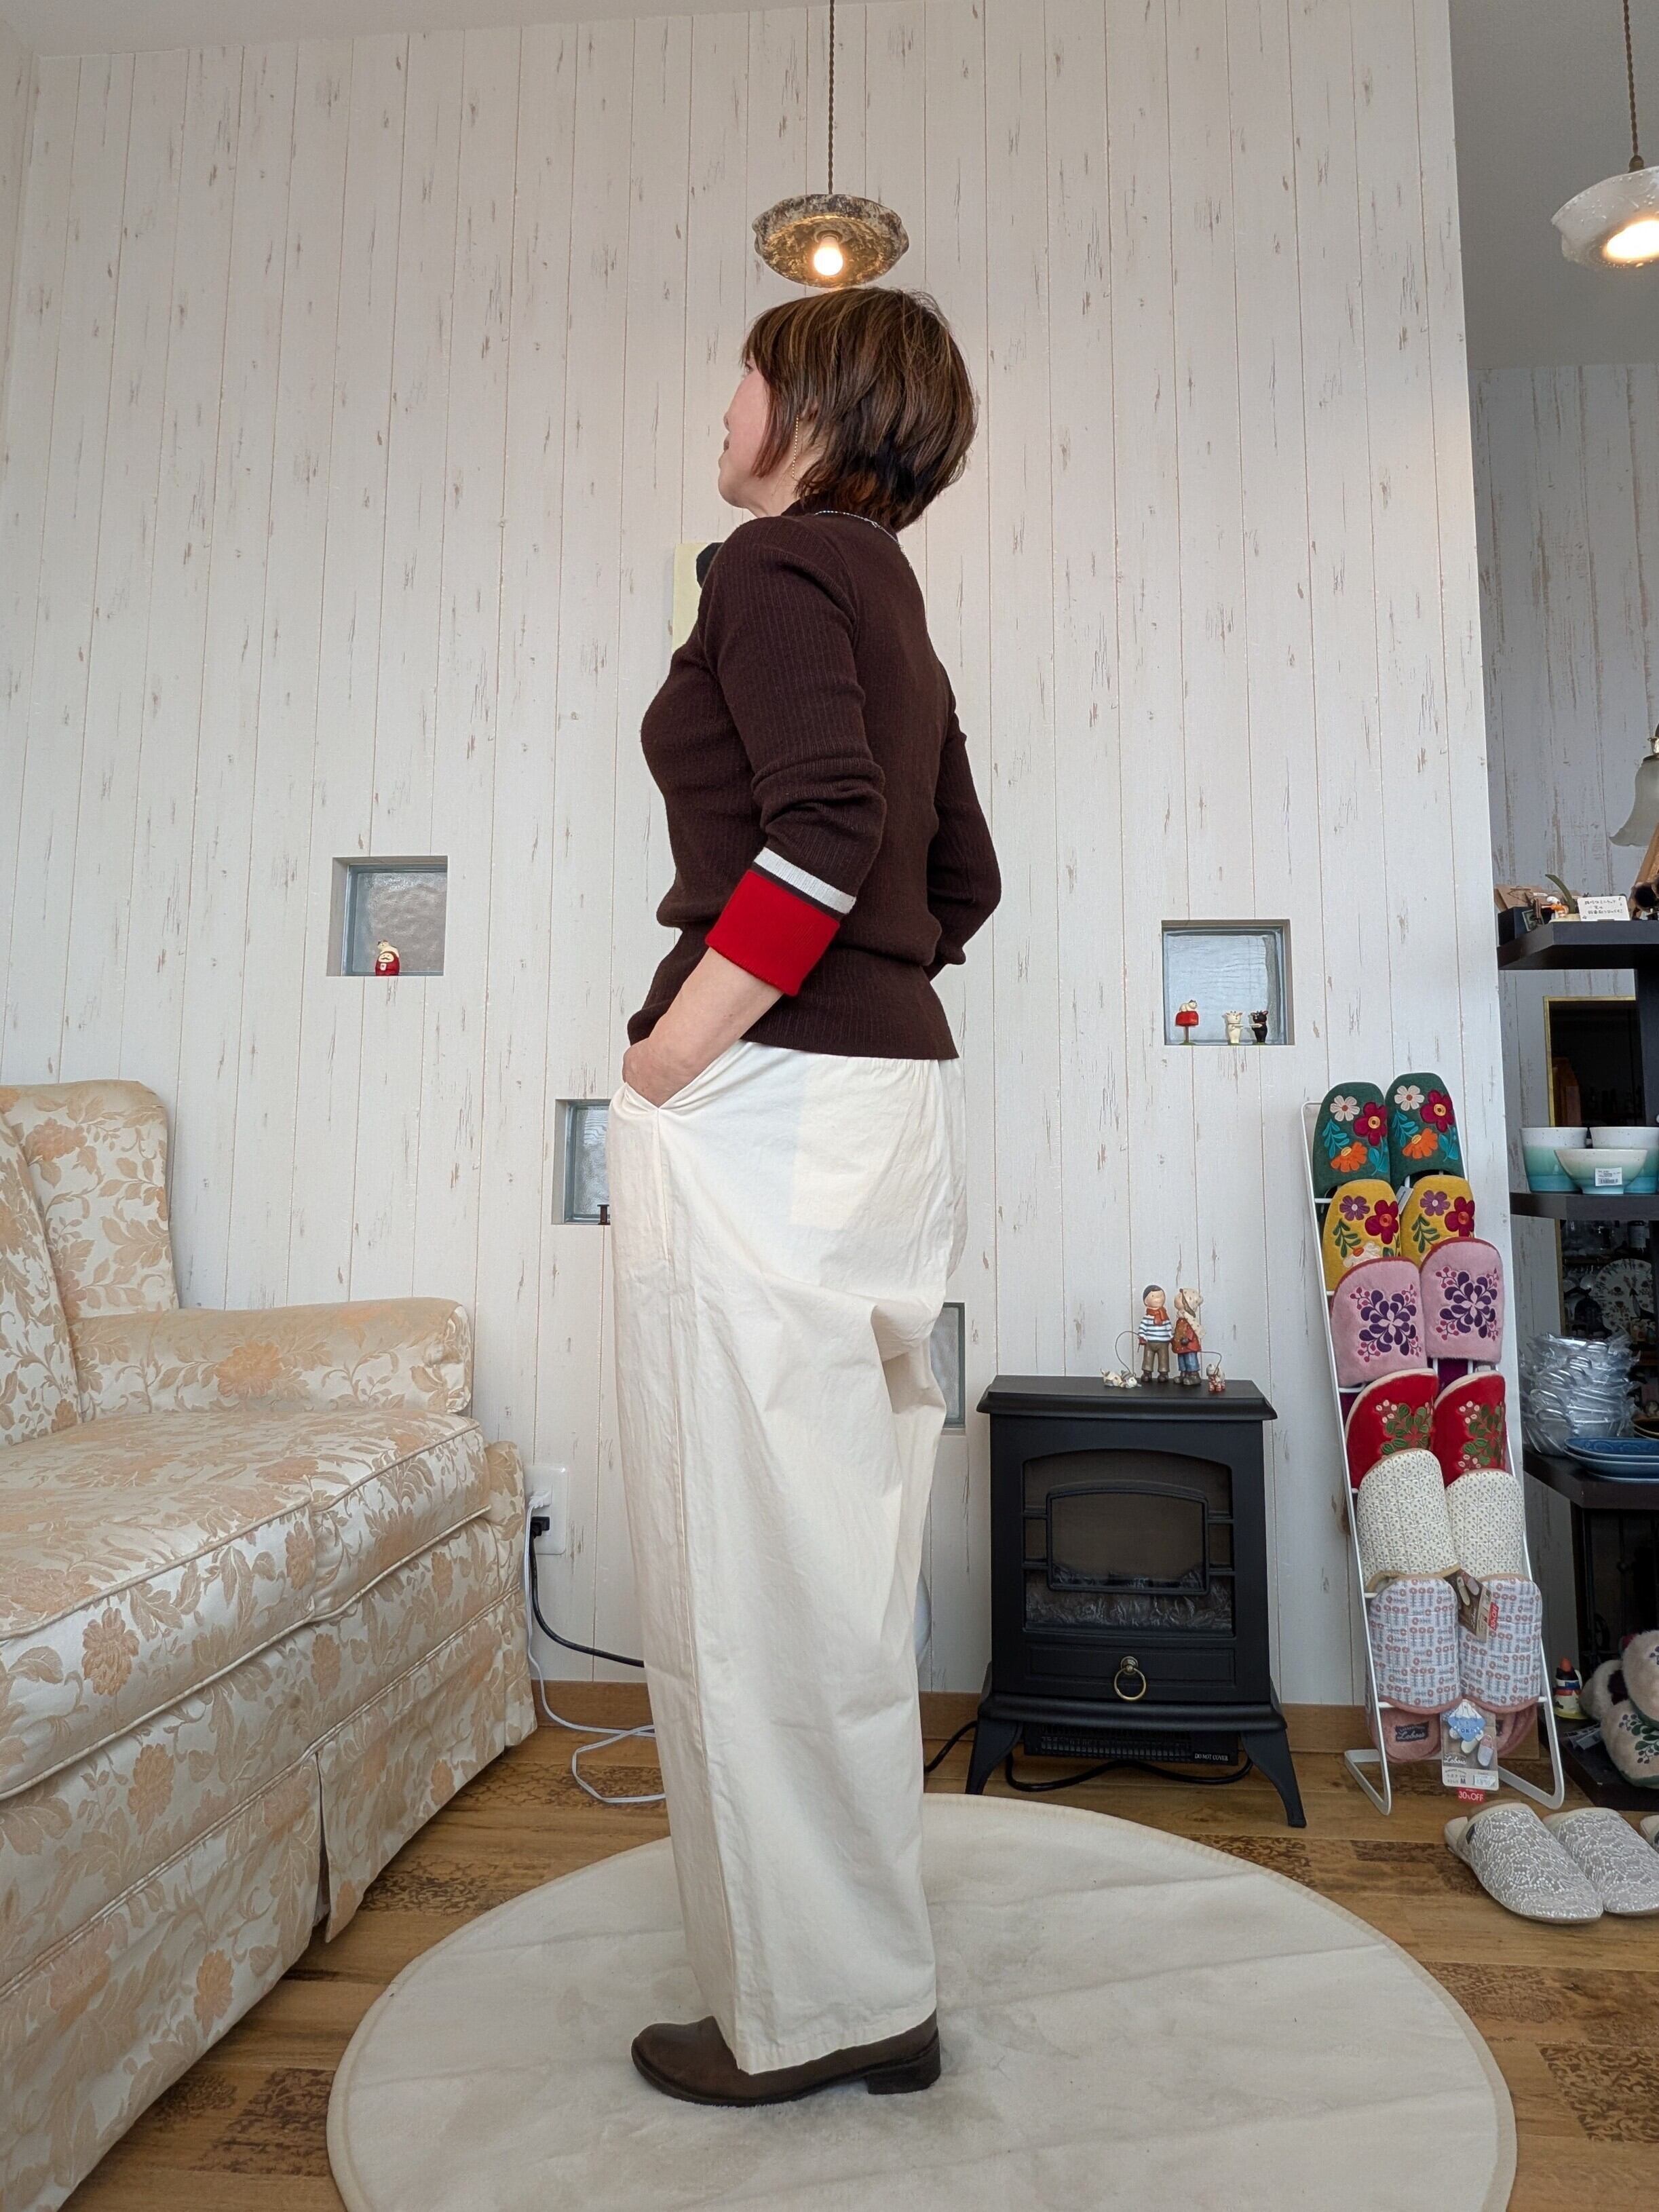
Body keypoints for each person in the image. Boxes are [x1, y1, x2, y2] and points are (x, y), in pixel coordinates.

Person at [605, 286, 999, 2108]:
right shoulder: (898, 603)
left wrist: (674, 1051)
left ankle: (806, 2010)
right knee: (838, 1567)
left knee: (745, 1572)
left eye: (747, 373)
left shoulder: (771, 568)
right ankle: (871, 1981)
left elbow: (827, 831)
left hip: (767, 1112)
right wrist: (867, 992)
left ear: (816, 409)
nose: (726, 402)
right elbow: (958, 878)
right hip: (891, 1113)